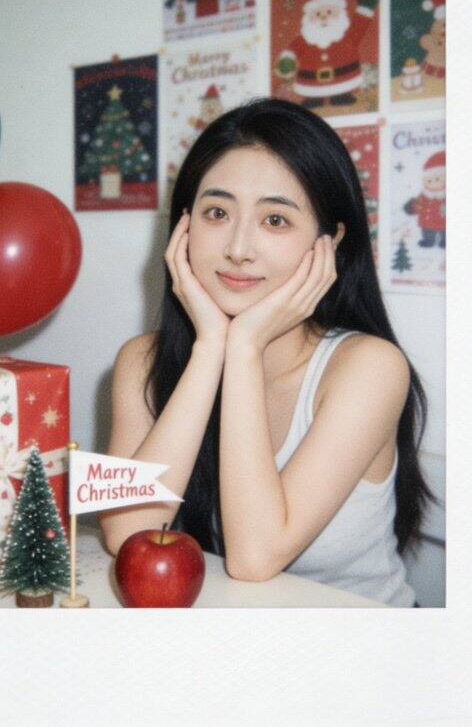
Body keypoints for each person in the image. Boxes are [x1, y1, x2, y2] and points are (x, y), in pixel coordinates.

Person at [99, 97, 437, 607]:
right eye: (217, 213)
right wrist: (210, 347)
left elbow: (254, 558)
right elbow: (128, 532)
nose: (238, 248)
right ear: (184, 226)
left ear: (330, 242)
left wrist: (245, 346)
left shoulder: (369, 368)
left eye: (275, 220)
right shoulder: (140, 362)